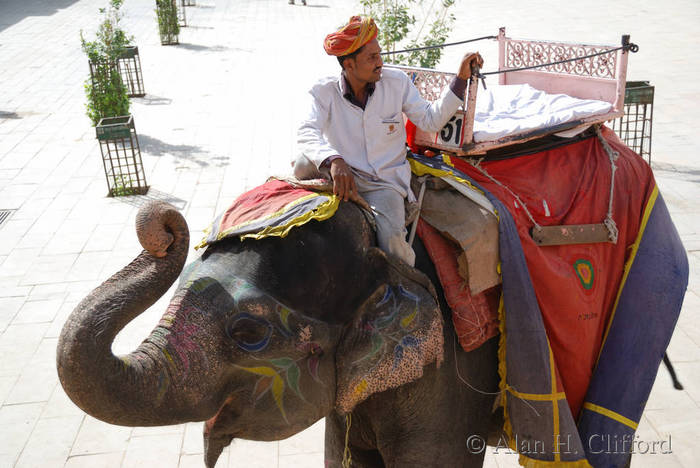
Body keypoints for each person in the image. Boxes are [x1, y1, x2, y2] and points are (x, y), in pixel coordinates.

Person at [293, 15, 483, 266]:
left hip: (383, 183)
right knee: (301, 163)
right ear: (348, 65)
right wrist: (334, 160)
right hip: (342, 173)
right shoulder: (323, 91)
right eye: (372, 58)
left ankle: (408, 293)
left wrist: (460, 79)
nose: (380, 63)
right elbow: (306, 130)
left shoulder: (397, 82)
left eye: (379, 55)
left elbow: (430, 120)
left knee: (393, 242)